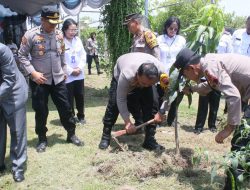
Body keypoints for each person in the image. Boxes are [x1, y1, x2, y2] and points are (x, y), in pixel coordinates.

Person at [174, 48, 250, 189]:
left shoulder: (210, 67)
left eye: (185, 74)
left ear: (191, 68)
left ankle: (232, 186)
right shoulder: (208, 62)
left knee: (240, 141)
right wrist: (192, 89)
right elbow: (210, 85)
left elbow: (234, 96)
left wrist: (228, 129)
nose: (187, 78)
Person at [18, 5, 83, 153]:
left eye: (56, 22)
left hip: (58, 79)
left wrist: (64, 69)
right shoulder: (30, 35)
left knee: (66, 108)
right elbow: (21, 56)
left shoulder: (59, 35)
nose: (54, 25)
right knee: (41, 110)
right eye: (51, 22)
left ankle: (71, 134)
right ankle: (42, 138)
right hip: (40, 81)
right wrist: (32, 73)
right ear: (42, 20)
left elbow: (61, 55)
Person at [98, 52, 169, 151]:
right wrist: (127, 122)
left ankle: (149, 140)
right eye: (143, 83)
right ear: (137, 75)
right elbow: (121, 99)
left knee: (153, 103)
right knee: (114, 104)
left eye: (149, 84)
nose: (145, 86)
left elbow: (168, 94)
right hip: (121, 70)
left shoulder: (162, 74)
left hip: (144, 73)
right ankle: (105, 136)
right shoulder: (127, 73)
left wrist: (161, 112)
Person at [0, 43, 28, 182]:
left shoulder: (2, 50)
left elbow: (9, 79)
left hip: (13, 93)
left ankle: (18, 167)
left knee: (17, 131)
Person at [157, 16, 186, 126]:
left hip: (176, 73)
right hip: (162, 72)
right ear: (166, 27)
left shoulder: (181, 40)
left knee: (174, 97)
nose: (173, 31)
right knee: (160, 96)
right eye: (171, 28)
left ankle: (171, 119)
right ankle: (158, 118)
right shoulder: (159, 39)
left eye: (175, 29)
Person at [62, 18, 86, 125]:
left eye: (74, 30)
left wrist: (79, 68)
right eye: (70, 30)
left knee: (80, 95)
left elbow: (83, 55)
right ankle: (71, 116)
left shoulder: (78, 40)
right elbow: (60, 59)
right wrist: (71, 71)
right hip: (68, 75)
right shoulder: (60, 41)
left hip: (79, 74)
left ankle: (81, 116)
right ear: (65, 30)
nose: (73, 32)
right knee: (69, 97)